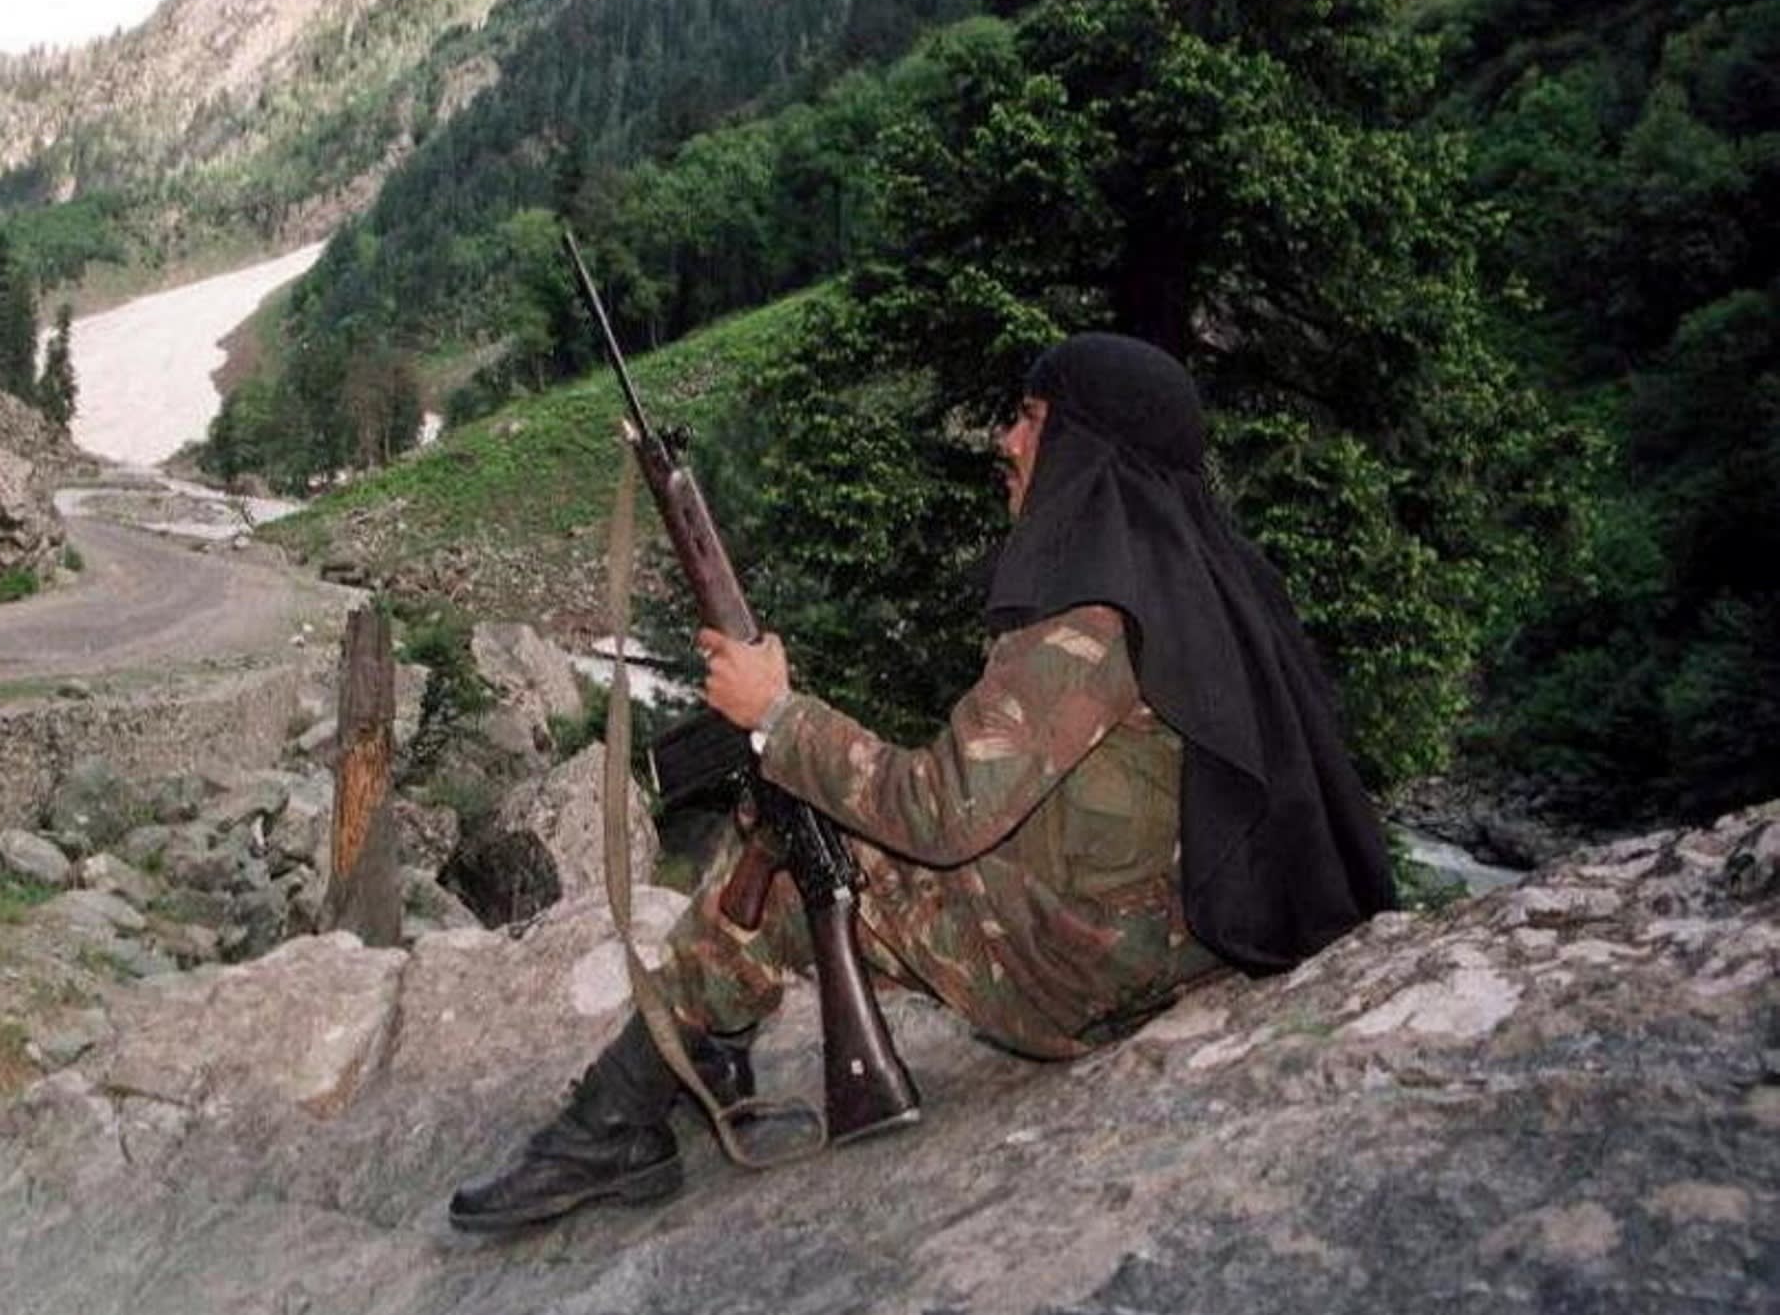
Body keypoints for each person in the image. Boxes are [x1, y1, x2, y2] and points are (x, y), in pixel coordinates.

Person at [448, 332, 1396, 1231]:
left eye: (1031, 417)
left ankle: (615, 1121)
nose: (1007, 440)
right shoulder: (1196, 576)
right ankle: (706, 1056)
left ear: (1088, 444)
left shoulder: (1089, 619)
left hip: (1084, 974)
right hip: (1174, 944)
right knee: (807, 810)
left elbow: (940, 814)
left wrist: (778, 713)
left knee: (786, 848)